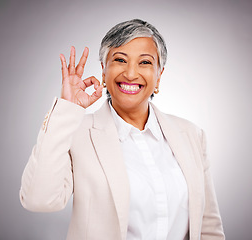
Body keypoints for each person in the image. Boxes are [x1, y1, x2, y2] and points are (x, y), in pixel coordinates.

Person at [20, 19, 225, 240]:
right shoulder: (77, 134)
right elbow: (38, 199)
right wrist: (66, 109)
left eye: (144, 62)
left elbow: (209, 226)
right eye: (120, 60)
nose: (130, 73)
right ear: (103, 70)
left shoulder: (191, 134)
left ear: (159, 75)